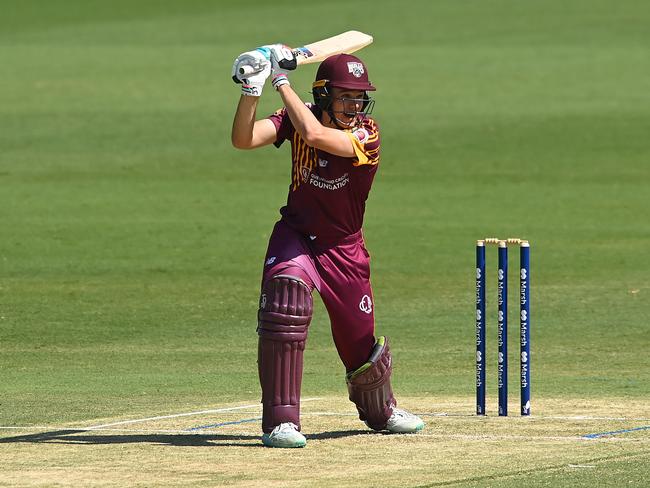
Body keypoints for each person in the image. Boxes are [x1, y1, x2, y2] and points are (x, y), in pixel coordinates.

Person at [230, 45, 424, 448]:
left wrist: (280, 79)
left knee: (358, 340)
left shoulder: (366, 134)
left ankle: (381, 411)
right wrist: (251, 88)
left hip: (344, 247)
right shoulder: (294, 116)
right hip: (297, 234)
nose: (355, 105)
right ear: (323, 96)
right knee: (287, 299)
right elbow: (244, 139)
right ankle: (280, 422)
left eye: (359, 97)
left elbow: (315, 135)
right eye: (345, 96)